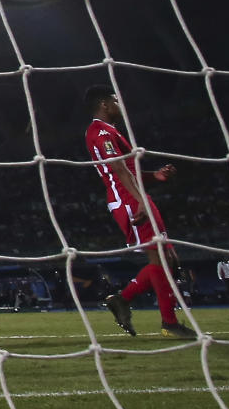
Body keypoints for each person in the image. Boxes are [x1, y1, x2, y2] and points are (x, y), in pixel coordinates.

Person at [83, 85, 194, 339]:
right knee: (161, 260)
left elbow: (127, 170)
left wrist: (153, 176)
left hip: (135, 195)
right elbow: (119, 170)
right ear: (104, 104)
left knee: (171, 260)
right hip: (128, 199)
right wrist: (140, 199)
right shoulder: (99, 131)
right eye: (116, 101)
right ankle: (169, 322)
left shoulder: (110, 131)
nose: (120, 105)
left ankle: (122, 299)